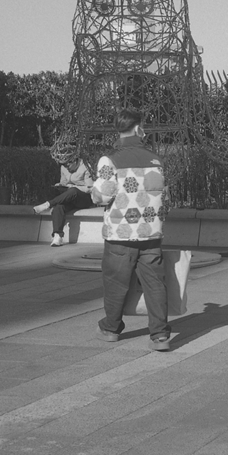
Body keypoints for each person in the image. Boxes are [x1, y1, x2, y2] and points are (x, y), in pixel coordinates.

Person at [91, 109, 171, 351]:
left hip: (120, 234)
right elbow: (163, 195)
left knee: (116, 283)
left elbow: (103, 195)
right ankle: (160, 335)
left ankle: (110, 328)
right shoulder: (156, 160)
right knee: (155, 284)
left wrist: (93, 192)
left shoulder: (110, 160)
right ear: (138, 128)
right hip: (151, 233)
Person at [33, 157, 94, 247]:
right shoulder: (63, 168)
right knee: (58, 207)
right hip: (70, 197)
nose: (66, 167)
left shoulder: (85, 166)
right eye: (64, 165)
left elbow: (90, 188)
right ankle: (57, 236)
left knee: (73, 190)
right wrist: (61, 186)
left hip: (84, 198)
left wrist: (73, 187)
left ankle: (48, 204)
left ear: (74, 161)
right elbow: (64, 183)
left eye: (67, 165)